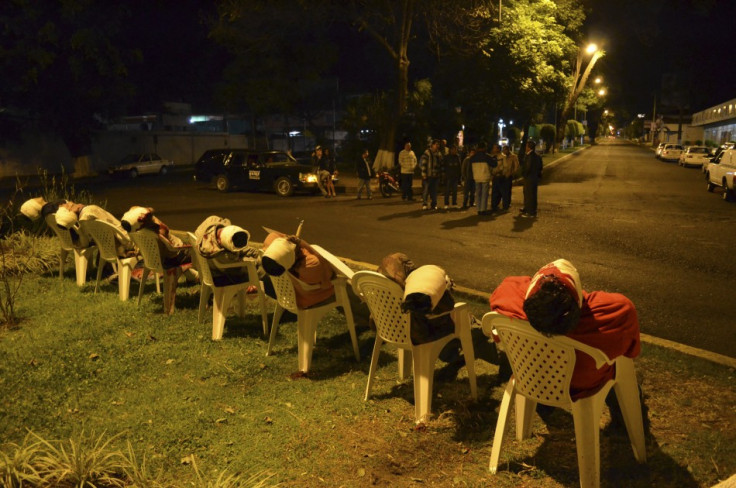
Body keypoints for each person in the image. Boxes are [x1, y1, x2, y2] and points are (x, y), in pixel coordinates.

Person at [489, 259, 641, 400]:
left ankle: (543, 407)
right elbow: (631, 352)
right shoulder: (616, 312)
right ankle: (624, 422)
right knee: (622, 369)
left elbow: (496, 335)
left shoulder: (507, 296)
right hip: (583, 385)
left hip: (532, 376)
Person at [377, 253, 456, 345]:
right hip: (423, 335)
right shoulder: (418, 288)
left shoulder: (381, 289)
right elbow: (448, 306)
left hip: (390, 333)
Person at [260, 231, 335, 308]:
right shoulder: (310, 265)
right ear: (294, 257)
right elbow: (330, 274)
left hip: (285, 294)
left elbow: (274, 234)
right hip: (304, 298)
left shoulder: (269, 243)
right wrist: (301, 242)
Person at [194, 215, 262, 287]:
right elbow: (244, 267)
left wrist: (256, 252)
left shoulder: (206, 234)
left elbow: (242, 250)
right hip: (223, 278)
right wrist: (260, 259)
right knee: (264, 269)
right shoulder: (224, 256)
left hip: (212, 273)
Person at [120, 206, 192, 270]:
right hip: (172, 252)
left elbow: (161, 256)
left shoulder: (161, 231)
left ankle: (191, 273)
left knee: (193, 252)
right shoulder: (138, 213)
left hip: (177, 254)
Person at [55, 202, 135, 256]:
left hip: (109, 248)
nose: (69, 202)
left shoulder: (83, 222)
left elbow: (84, 244)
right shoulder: (91, 210)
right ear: (77, 207)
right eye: (70, 204)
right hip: (126, 242)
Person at [469, 141, 496, 215]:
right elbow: (494, 164)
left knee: (478, 193)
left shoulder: (473, 157)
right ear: (484, 148)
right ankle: (483, 209)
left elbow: (470, 168)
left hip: (476, 177)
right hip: (485, 176)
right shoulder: (487, 156)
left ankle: (478, 209)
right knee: (484, 194)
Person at [520, 140, 543, 218]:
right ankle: (528, 208)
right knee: (531, 194)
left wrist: (524, 175)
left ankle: (530, 212)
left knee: (529, 194)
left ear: (529, 147)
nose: (525, 148)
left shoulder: (530, 156)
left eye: (526, 146)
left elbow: (528, 167)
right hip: (534, 178)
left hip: (529, 178)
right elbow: (540, 167)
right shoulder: (537, 155)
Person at [420, 139, 443, 210]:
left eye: (438, 144)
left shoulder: (439, 153)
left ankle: (434, 204)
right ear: (432, 145)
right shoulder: (427, 153)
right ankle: (424, 204)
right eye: (436, 144)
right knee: (426, 190)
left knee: (434, 191)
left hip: (436, 175)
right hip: (428, 175)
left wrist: (441, 174)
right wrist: (424, 174)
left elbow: (441, 164)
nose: (437, 146)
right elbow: (423, 164)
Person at [443, 145, 462, 209]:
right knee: (447, 191)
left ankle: (454, 203)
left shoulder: (457, 157)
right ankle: (446, 203)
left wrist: (460, 177)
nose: (455, 151)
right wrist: (444, 175)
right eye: (453, 149)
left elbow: (459, 167)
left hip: (455, 176)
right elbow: (444, 166)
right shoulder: (447, 157)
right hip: (448, 176)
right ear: (450, 150)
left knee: (455, 191)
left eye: (455, 149)